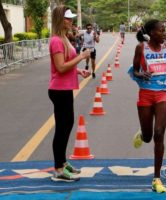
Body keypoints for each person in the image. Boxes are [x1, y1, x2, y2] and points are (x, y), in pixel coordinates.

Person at [131, 19, 166, 193]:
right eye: (161, 31)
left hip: (163, 93)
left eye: (164, 30)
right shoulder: (141, 47)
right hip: (146, 93)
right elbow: (134, 70)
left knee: (159, 133)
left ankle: (157, 178)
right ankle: (142, 134)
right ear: (152, 33)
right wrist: (141, 73)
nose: (164, 33)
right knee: (148, 136)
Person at [48, 5, 91, 182]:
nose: (71, 21)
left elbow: (66, 64)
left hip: (65, 88)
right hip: (59, 90)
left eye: (71, 18)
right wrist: (81, 57)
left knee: (67, 126)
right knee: (62, 129)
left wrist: (79, 71)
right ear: (60, 19)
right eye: (67, 18)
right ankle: (58, 169)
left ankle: (63, 163)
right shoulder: (56, 41)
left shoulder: (63, 38)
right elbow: (60, 67)